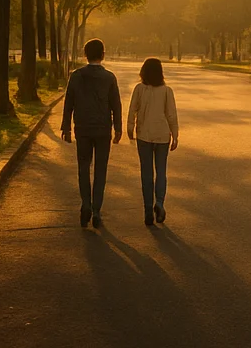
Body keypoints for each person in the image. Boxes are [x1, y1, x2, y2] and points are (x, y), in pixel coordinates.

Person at [61, 39, 121, 229]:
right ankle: (96, 210)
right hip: (103, 129)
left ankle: (85, 204)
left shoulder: (76, 76)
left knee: (83, 167)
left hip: (83, 128)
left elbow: (68, 102)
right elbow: (115, 105)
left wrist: (66, 127)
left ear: (85, 54)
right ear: (102, 54)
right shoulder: (109, 77)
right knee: (101, 170)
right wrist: (118, 128)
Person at [127, 57, 180, 227]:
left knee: (146, 173)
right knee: (161, 171)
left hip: (144, 136)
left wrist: (129, 128)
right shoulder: (167, 91)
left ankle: (148, 209)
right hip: (163, 136)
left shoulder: (139, 89)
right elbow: (171, 114)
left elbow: (132, 109)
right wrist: (175, 134)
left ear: (143, 71)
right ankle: (160, 203)